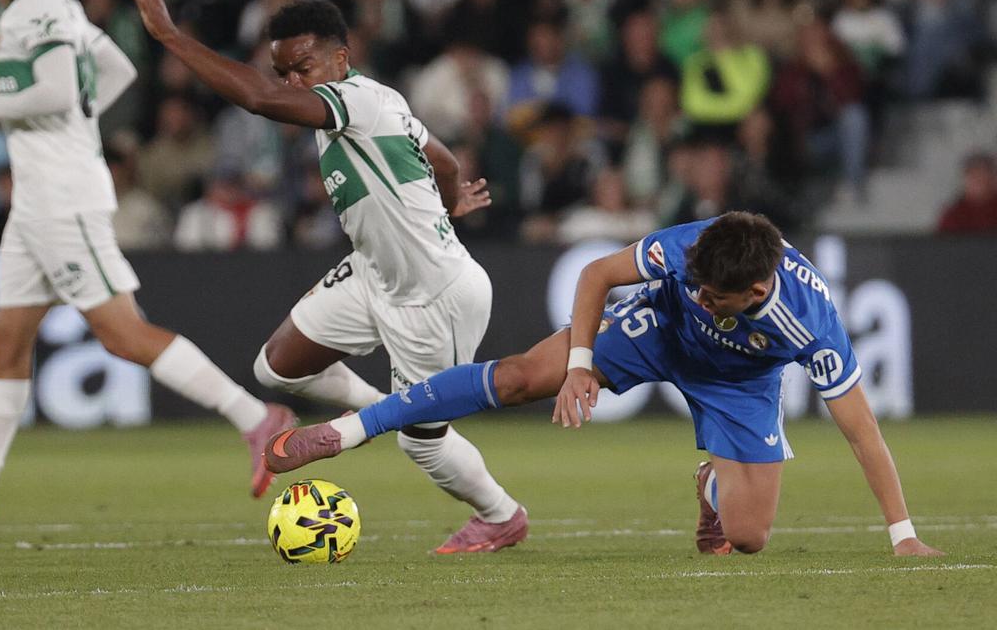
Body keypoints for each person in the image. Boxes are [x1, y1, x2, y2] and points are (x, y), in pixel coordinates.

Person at [0, 0, 294, 527]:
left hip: (63, 199)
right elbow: (116, 69)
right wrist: (75, 123)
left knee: (122, 334)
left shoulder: (38, 10)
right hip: (36, 203)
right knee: (6, 340)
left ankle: (258, 418)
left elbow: (56, 90)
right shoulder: (53, 6)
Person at [265, 211, 945, 558]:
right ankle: (351, 429)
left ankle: (711, 487)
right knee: (525, 375)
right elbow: (597, 275)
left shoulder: (810, 323)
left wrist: (903, 534)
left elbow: (862, 431)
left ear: (757, 290)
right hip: (657, 330)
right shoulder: (696, 248)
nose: (703, 295)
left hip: (740, 384)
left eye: (716, 296)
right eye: (698, 284)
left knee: (749, 539)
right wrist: (581, 364)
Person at [127, 0, 529, 555]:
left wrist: (169, 35)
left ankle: (501, 515)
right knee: (277, 368)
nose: (292, 82)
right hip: (375, 275)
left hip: (433, 295)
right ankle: (385, 409)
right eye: (284, 72)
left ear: (341, 59)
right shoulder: (380, 101)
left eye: (303, 68)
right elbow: (443, 160)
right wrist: (449, 200)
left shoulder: (354, 101)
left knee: (422, 443)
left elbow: (259, 99)